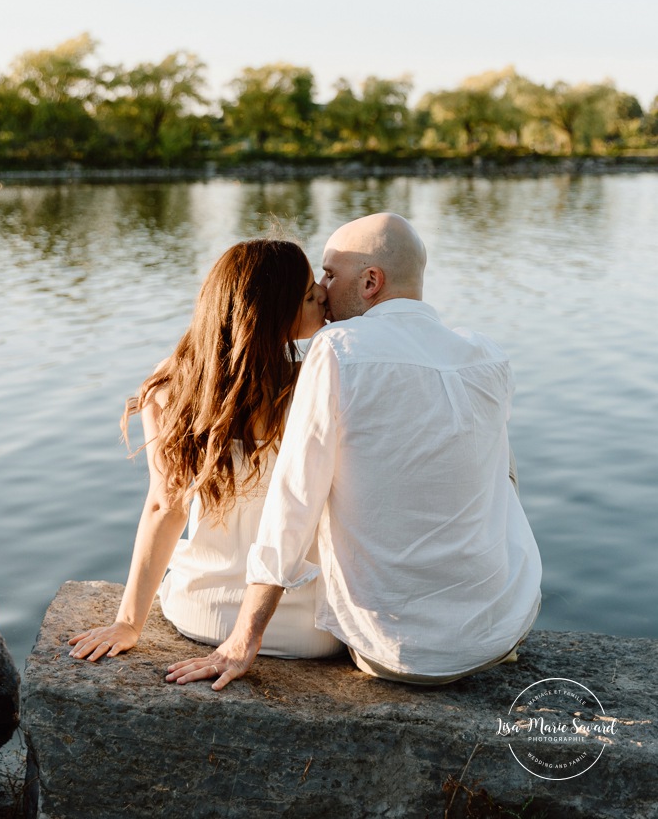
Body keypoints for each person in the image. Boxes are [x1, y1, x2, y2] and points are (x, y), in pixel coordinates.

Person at [165, 212, 542, 689]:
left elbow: (294, 504)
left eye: (329, 272)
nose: (321, 287)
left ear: (370, 281)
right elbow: (505, 482)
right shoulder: (487, 354)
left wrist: (244, 639)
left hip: (395, 652)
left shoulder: (337, 349)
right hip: (503, 628)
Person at [69, 239, 342, 663]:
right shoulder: (319, 384)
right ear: (271, 316)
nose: (323, 294)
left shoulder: (170, 388)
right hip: (309, 629)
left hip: (201, 611)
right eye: (309, 295)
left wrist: (128, 623)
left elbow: (165, 507)